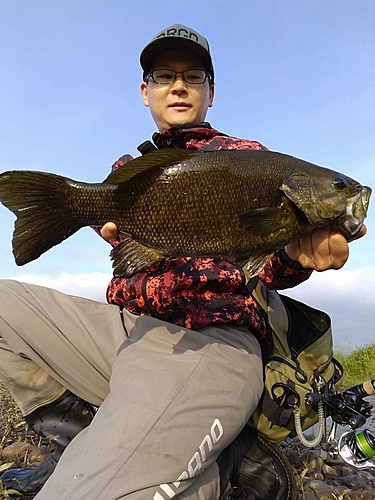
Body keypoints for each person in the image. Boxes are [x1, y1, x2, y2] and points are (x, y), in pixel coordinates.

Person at [0, 24, 365, 500]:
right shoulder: (130, 171)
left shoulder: (249, 158)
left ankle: (190, 451)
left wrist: (298, 255)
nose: (178, 85)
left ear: (210, 93)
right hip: (131, 332)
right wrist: (98, 221)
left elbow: (269, 266)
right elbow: (128, 251)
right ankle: (94, 435)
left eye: (193, 76)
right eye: (164, 75)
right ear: (145, 91)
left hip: (208, 342)